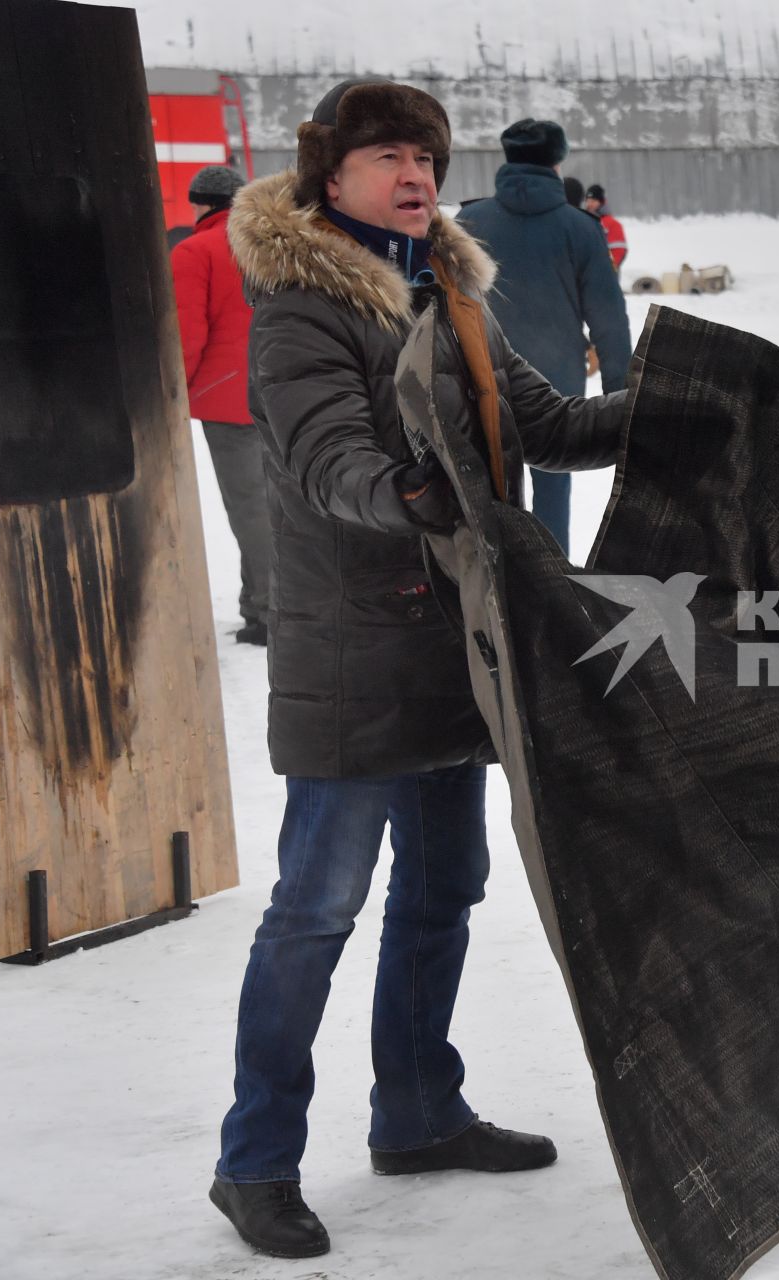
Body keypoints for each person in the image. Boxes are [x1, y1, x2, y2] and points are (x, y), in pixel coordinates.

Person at [212, 77, 633, 1259]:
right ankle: (253, 1161)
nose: (416, 177)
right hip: (355, 653)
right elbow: (321, 455)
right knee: (317, 909)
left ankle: (415, 1108)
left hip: (459, 644)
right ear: (330, 177)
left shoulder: (448, 289)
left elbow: (542, 423)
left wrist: (672, 411)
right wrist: (403, 488)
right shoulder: (301, 305)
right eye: (390, 155)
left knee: (446, 885)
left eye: (428, 160)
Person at [457, 119, 634, 551]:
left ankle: (496, 585)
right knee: (554, 490)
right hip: (558, 385)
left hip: (482, 379)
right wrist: (625, 400)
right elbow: (609, 320)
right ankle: (553, 582)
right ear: (558, 161)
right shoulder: (581, 229)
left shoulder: (468, 221)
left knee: (488, 488)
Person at [170, 163, 273, 646]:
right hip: (281, 395)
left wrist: (175, 394)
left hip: (228, 402)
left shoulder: (195, 250)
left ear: (200, 204)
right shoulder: (268, 246)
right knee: (274, 507)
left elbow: (186, 335)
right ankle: (258, 610)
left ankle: (274, 615)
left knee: (250, 512)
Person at [584, 183, 630, 270]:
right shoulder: (582, 221)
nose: (589, 204)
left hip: (605, 275)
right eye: (588, 201)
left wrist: (605, 271)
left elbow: (617, 252)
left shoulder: (613, 224)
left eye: (593, 201)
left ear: (601, 202)